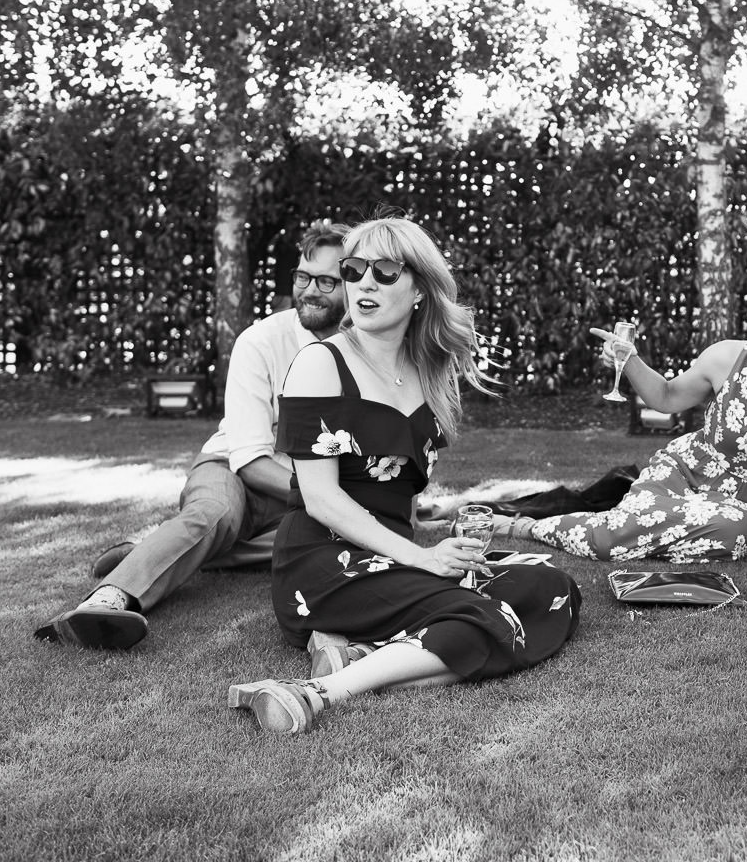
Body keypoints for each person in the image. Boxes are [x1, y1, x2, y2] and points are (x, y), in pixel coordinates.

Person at [228, 215, 582, 736]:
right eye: (353, 270)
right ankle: (315, 694)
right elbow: (321, 499)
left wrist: (448, 547)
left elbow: (402, 491)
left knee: (553, 588)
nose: (363, 283)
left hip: (396, 555)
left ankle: (364, 655)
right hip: (326, 565)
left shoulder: (433, 373)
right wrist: (422, 557)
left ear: (419, 288)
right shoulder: (319, 364)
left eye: (385, 271)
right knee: (479, 617)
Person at [35, 222, 350, 650]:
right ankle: (109, 600)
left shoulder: (364, 347)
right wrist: (326, 495)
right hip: (235, 470)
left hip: (305, 488)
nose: (309, 290)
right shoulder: (260, 342)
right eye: (302, 277)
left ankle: (149, 552)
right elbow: (251, 459)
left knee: (336, 537)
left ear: (354, 282)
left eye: (327, 281)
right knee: (215, 516)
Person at [500, 275, 747, 561]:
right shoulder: (726, 357)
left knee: (737, 533)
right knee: (609, 543)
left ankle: (635, 528)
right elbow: (665, 398)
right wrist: (631, 361)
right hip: (682, 472)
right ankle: (526, 526)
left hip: (743, 505)